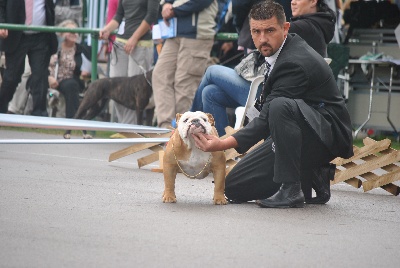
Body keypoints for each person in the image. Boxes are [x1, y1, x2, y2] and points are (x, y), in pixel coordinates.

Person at [192, 0, 353, 208]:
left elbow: (267, 118)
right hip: (301, 129)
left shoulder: (293, 62)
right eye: (256, 32)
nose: (262, 39)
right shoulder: (278, 50)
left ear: (285, 28)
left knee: (279, 106)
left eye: (269, 30)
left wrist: (221, 144)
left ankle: (291, 190)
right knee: (232, 187)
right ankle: (311, 171)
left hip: (325, 135)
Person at [191, 0, 336, 136]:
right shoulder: (317, 25)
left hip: (273, 93)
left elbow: (265, 53)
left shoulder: (302, 27)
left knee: (211, 71)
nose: (293, 1)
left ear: (313, 1)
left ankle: (188, 122)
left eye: (269, 31)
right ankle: (220, 151)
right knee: (210, 93)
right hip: (278, 89)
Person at [152, 0, 219, 129]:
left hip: (197, 34)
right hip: (174, 32)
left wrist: (172, 10)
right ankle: (167, 130)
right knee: (160, 74)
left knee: (184, 84)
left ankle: (181, 132)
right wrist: (166, 3)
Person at [99, 0, 159, 125]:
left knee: (136, 91)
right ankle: (125, 127)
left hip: (141, 44)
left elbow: (151, 15)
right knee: (116, 89)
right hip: (121, 42)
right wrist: (107, 29)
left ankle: (132, 130)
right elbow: (119, 15)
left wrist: (134, 37)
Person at [0, 0, 58, 116]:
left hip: (41, 36)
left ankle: (39, 114)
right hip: (16, 35)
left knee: (40, 76)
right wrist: (2, 23)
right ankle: (1, 109)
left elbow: (49, 7)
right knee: (12, 77)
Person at [47, 20, 91, 138]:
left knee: (72, 85)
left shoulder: (80, 49)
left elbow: (90, 66)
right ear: (62, 34)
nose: (74, 34)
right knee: (71, 85)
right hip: (57, 80)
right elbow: (47, 67)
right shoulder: (56, 49)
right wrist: (49, 78)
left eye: (76, 32)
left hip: (75, 81)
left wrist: (86, 72)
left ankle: (70, 126)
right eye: (70, 31)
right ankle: (79, 126)